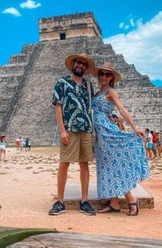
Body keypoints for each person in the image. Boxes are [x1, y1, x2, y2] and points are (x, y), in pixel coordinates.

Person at [92, 62, 150, 216]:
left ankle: (131, 200)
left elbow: (121, 109)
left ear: (112, 77)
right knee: (106, 166)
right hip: (99, 133)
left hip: (107, 132)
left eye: (107, 74)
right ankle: (114, 202)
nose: (104, 76)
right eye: (101, 74)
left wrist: (134, 127)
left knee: (114, 166)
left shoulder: (111, 92)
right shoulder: (98, 92)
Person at [49, 52, 96, 216]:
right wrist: (62, 130)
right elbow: (58, 107)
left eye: (84, 64)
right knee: (64, 163)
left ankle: (84, 201)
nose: (81, 66)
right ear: (73, 64)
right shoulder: (62, 82)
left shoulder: (88, 86)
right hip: (69, 128)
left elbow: (92, 107)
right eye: (78, 63)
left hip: (86, 128)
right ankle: (60, 201)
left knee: (84, 164)